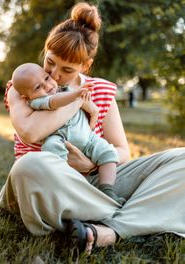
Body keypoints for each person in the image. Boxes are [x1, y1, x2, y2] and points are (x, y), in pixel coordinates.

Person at [0, 1, 185, 256]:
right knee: (29, 166)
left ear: (85, 66)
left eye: (67, 69)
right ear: (46, 50)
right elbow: (29, 132)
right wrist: (76, 101)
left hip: (95, 181)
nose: (54, 75)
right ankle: (133, 213)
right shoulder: (24, 85)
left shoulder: (101, 90)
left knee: (182, 160)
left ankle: (108, 230)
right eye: (50, 61)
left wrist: (89, 165)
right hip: (49, 183)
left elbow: (122, 151)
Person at [12, 62, 125, 204]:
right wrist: (76, 95)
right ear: (26, 97)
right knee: (52, 153)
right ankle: (63, 190)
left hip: (88, 139)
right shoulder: (37, 102)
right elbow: (55, 102)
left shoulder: (65, 89)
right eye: (38, 87)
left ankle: (107, 190)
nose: (47, 87)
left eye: (47, 79)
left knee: (108, 152)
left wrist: (91, 114)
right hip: (59, 139)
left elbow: (92, 108)